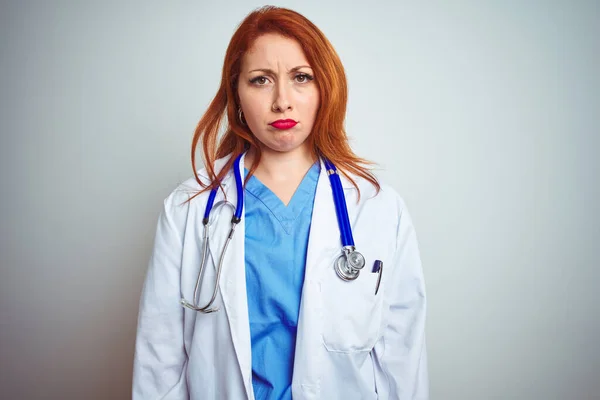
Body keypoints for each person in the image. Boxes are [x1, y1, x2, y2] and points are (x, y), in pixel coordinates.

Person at [133, 5, 428, 400]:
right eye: (260, 80)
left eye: (301, 78)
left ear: (325, 87)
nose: (282, 101)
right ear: (235, 92)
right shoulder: (188, 208)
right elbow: (159, 361)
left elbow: (403, 363)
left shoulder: (377, 208)